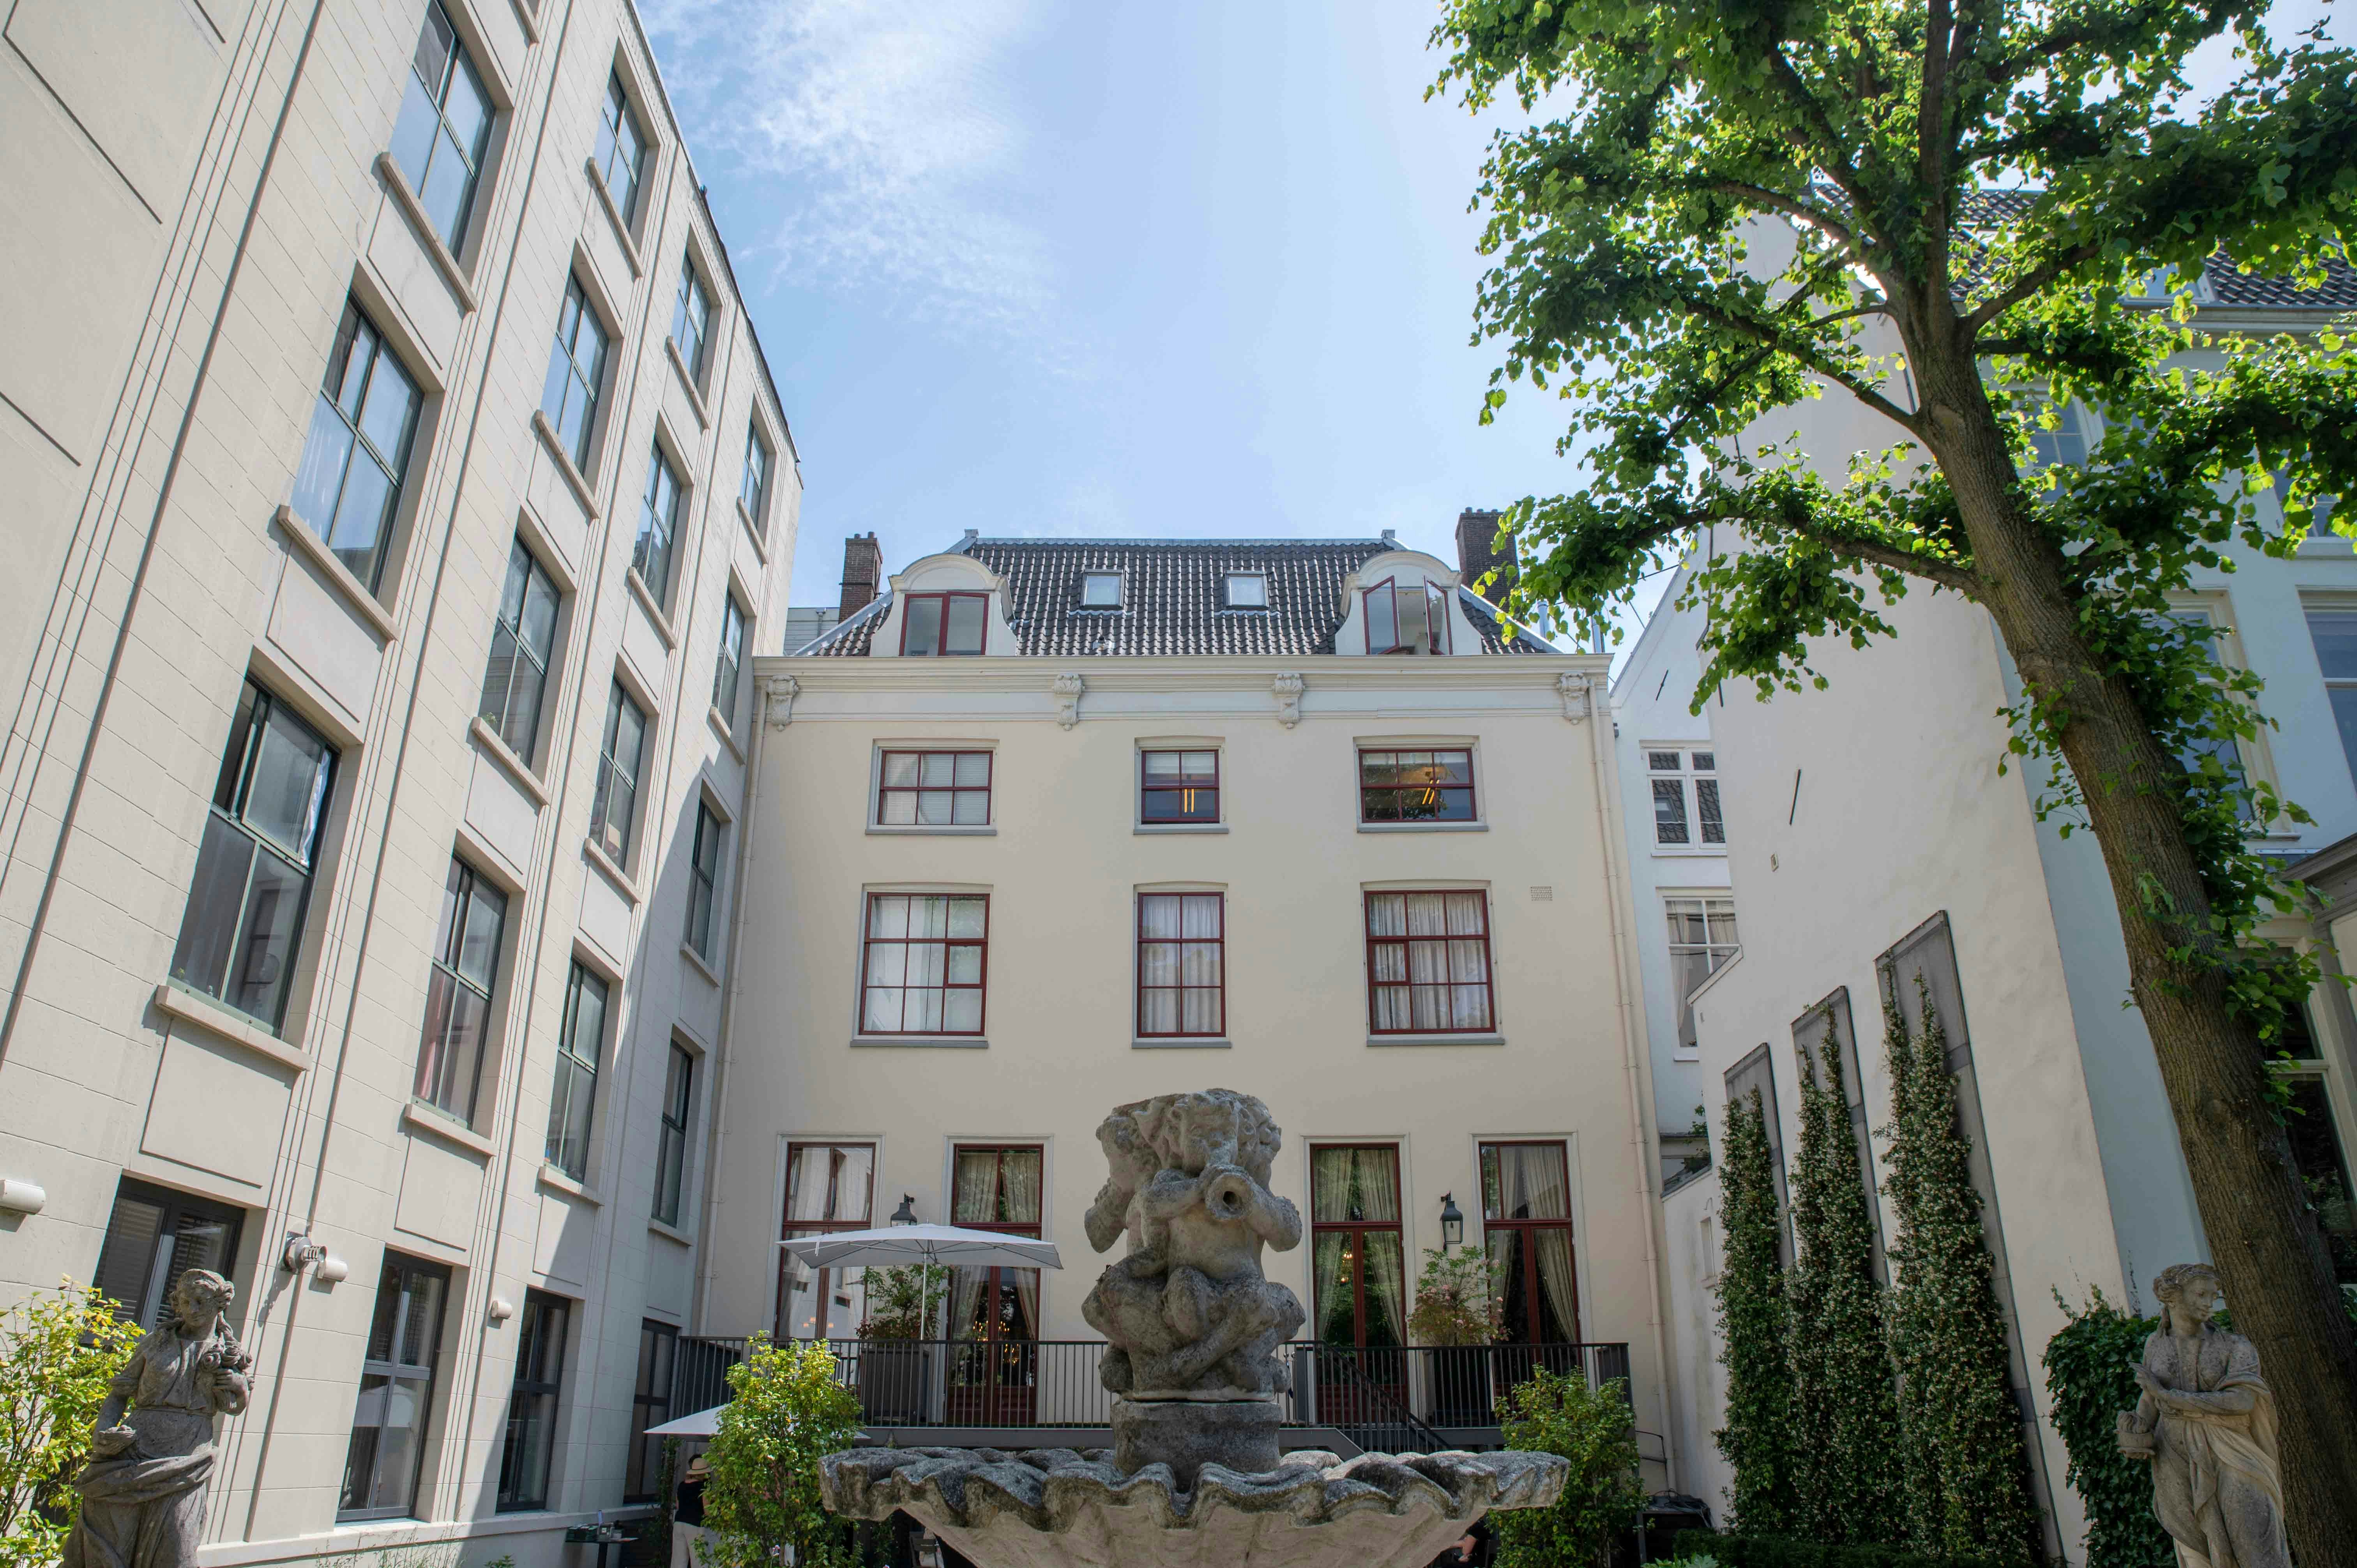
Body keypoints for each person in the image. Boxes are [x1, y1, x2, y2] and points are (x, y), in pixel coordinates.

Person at [65, 1270, 251, 1568]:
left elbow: (236, 1407)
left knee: (177, 1550)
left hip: (186, 1458)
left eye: (202, 1302)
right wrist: (104, 1433)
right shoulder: (156, 1343)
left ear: (220, 1304)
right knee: (110, 1548)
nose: (193, 1310)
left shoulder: (227, 1353)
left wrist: (240, 1387)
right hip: (132, 1454)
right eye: (186, 1302)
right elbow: (119, 1393)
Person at [2116, 1262, 2289, 1568]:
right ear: (2173, 1298)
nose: (2209, 1303)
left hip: (2231, 1449)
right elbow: (2150, 1398)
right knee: (2197, 1551)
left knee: (2257, 1544)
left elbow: (2243, 1401)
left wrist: (2172, 1397)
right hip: (2174, 1454)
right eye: (2200, 1294)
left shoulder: (2236, 1346)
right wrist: (2136, 1427)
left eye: (2214, 1296)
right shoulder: (2154, 1345)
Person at [671, 1451, 711, 1568]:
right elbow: (707, 1511)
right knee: (699, 1561)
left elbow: (678, 1506)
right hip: (695, 1525)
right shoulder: (704, 1488)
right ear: (704, 1473)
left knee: (678, 1562)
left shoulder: (682, 1485)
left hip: (679, 1523)